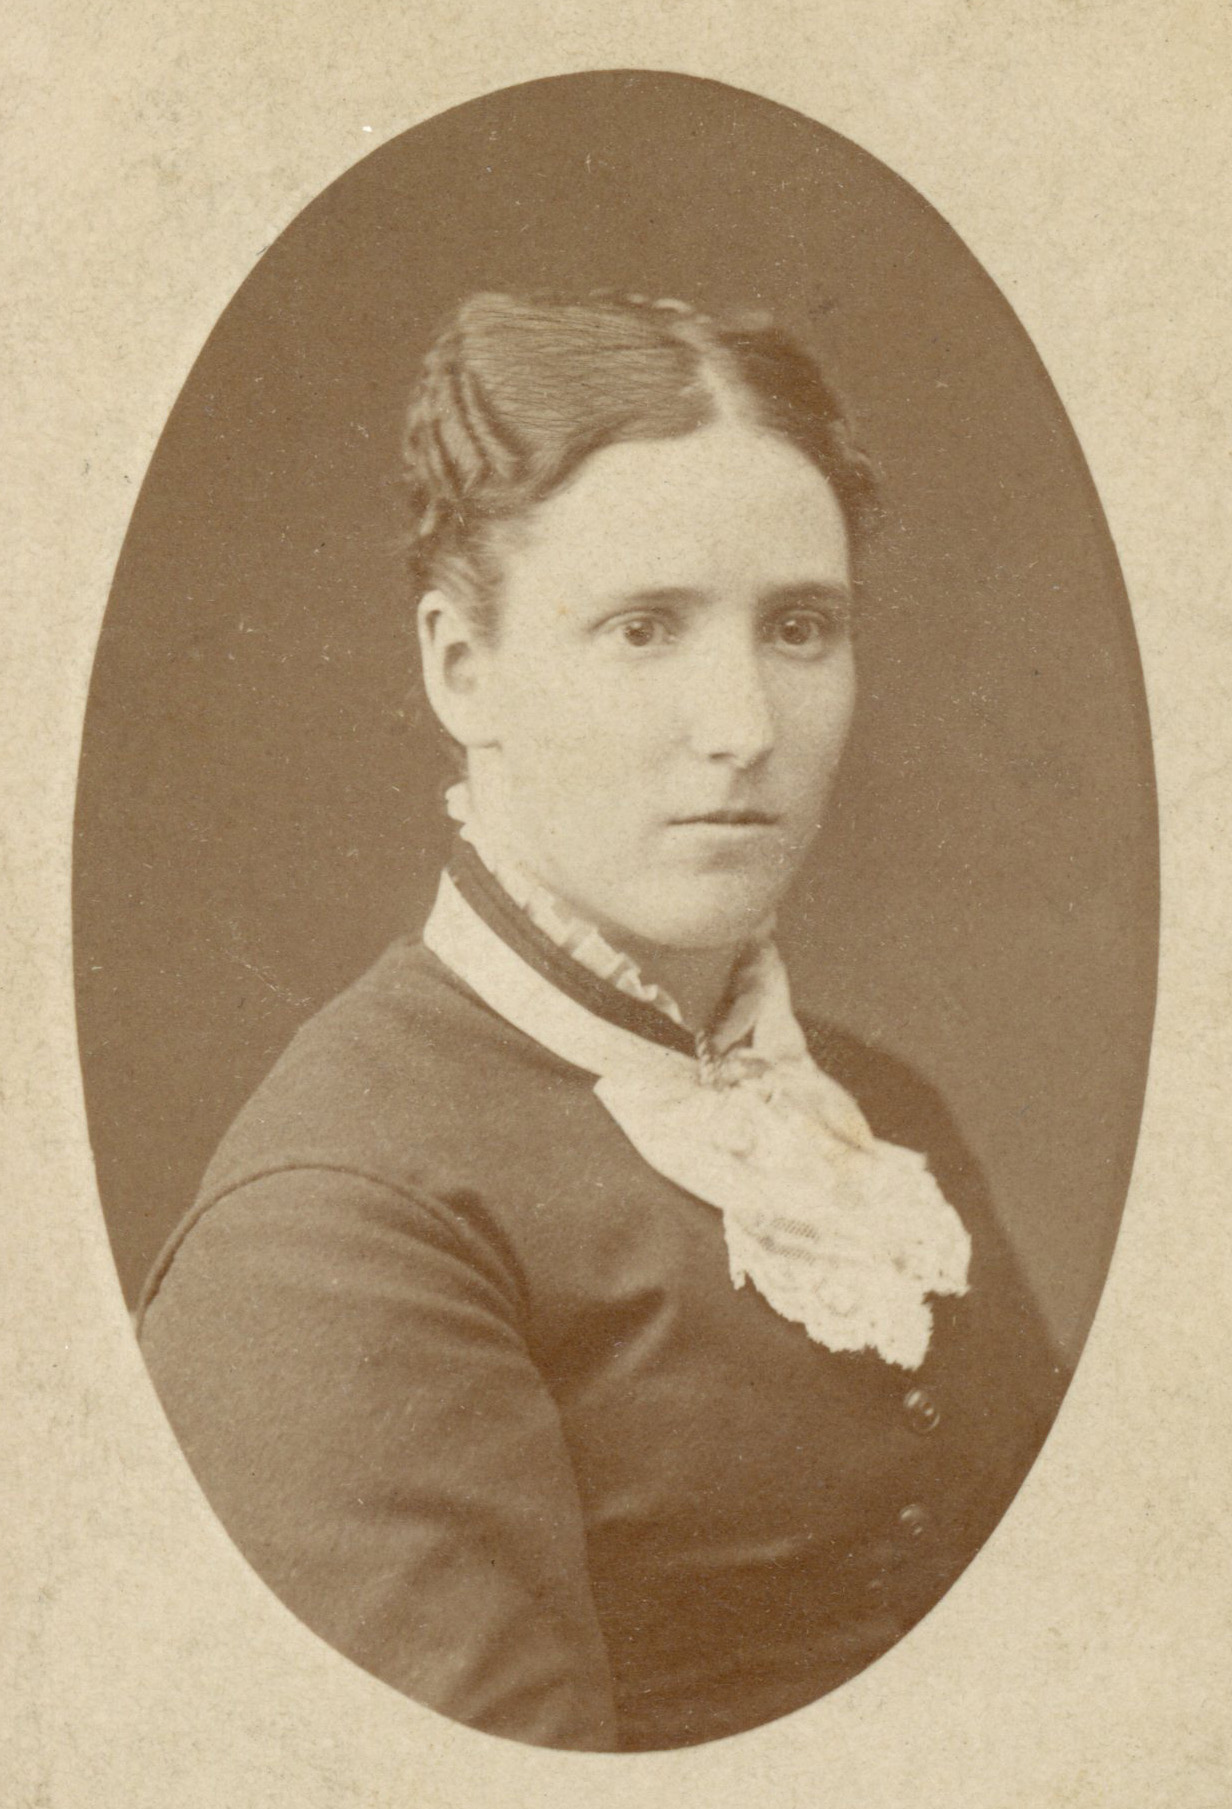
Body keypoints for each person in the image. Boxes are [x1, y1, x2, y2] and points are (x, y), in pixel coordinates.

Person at [137, 291, 1066, 1752]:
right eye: (645, 628)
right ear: (464, 669)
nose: (744, 723)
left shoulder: (881, 1116)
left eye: (801, 627)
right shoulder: (338, 1224)